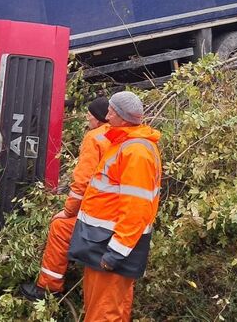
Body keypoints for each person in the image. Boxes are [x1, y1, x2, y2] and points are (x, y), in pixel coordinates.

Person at [68, 91, 162, 322]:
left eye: (111, 110)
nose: (106, 114)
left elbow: (137, 209)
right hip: (102, 242)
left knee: (103, 313)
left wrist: (115, 253)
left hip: (109, 246)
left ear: (122, 117)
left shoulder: (136, 152)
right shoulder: (123, 144)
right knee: (110, 310)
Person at [20, 96, 112, 301]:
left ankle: (47, 288)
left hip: (100, 214)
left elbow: (82, 182)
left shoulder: (95, 137)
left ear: (99, 118)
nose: (87, 115)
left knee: (60, 227)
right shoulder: (122, 137)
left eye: (90, 112)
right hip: (116, 211)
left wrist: (68, 211)